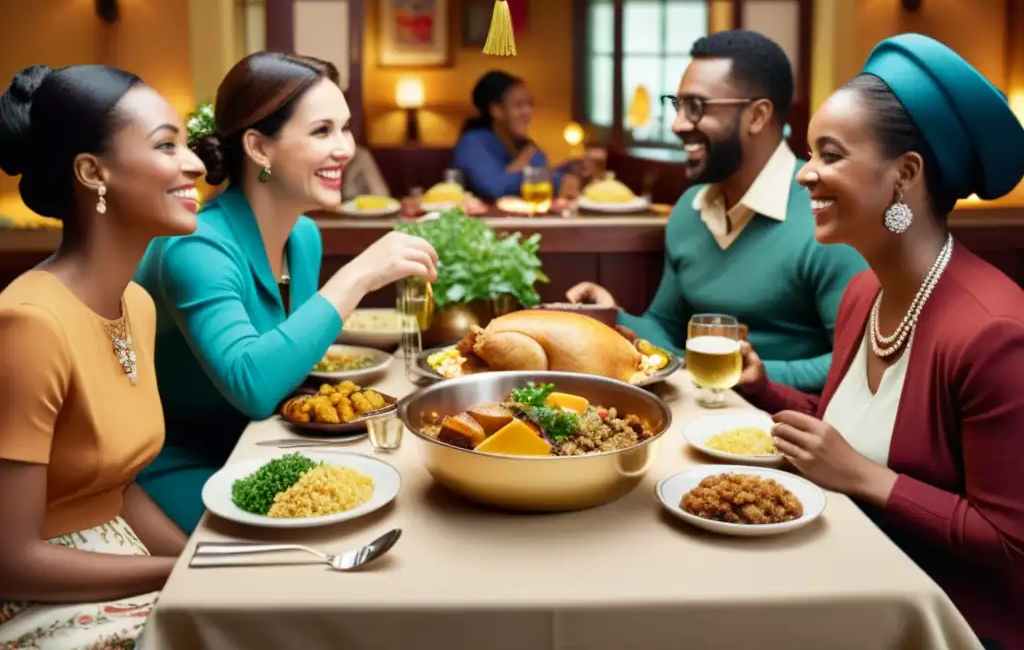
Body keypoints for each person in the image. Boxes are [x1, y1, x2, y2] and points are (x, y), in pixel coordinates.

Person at [737, 34, 1024, 650]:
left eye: (830, 155)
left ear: (907, 174)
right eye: (810, 152)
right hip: (847, 576)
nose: (806, 174)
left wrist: (865, 478)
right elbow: (847, 430)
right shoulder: (863, 292)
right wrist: (763, 390)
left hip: (940, 623)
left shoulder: (995, 334)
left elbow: (1009, 540)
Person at [135, 52, 437, 533]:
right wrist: (358, 275)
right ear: (258, 148)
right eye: (322, 131)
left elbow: (292, 369)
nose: (345, 148)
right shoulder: (195, 248)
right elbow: (253, 387)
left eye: (345, 128)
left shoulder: (303, 238)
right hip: (185, 466)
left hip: (265, 449)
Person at [0, 65, 204, 648]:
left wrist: (203, 562)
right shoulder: (29, 324)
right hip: (40, 602)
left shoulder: (135, 302)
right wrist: (181, 572)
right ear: (93, 172)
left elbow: (117, 489)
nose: (193, 164)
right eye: (167, 145)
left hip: (123, 562)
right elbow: (10, 560)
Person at [569, 30, 865, 392]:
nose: (677, 124)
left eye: (696, 107)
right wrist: (610, 314)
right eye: (676, 105)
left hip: (790, 428)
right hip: (697, 413)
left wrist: (753, 375)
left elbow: (857, 361)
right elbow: (666, 330)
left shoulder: (825, 213)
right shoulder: (689, 210)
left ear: (757, 116)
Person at [452, 70, 582, 201]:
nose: (528, 112)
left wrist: (572, 172)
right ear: (497, 110)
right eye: (518, 105)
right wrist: (555, 181)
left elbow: (544, 173)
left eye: (529, 104)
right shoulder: (473, 144)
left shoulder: (525, 146)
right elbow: (496, 189)